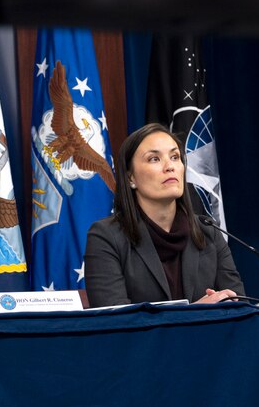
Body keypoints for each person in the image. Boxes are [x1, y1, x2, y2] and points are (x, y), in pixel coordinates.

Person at [84, 123, 244, 305]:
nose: (170, 166)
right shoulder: (106, 237)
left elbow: (238, 307)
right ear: (131, 178)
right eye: (154, 159)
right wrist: (193, 314)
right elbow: (117, 324)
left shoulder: (209, 232)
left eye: (175, 157)